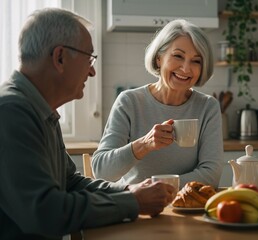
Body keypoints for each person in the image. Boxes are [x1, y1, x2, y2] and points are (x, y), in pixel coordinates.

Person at [0, 8, 175, 239]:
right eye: (89, 57)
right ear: (60, 57)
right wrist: (133, 202)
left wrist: (127, 191)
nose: (92, 71)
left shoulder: (40, 109)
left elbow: (70, 182)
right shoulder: (12, 112)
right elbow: (46, 212)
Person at [91, 19, 223, 187]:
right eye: (178, 56)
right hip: (137, 206)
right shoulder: (129, 102)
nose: (186, 68)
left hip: (188, 207)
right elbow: (102, 171)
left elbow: (211, 174)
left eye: (196, 61)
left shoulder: (208, 107)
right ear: (159, 58)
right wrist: (145, 144)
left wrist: (157, 186)